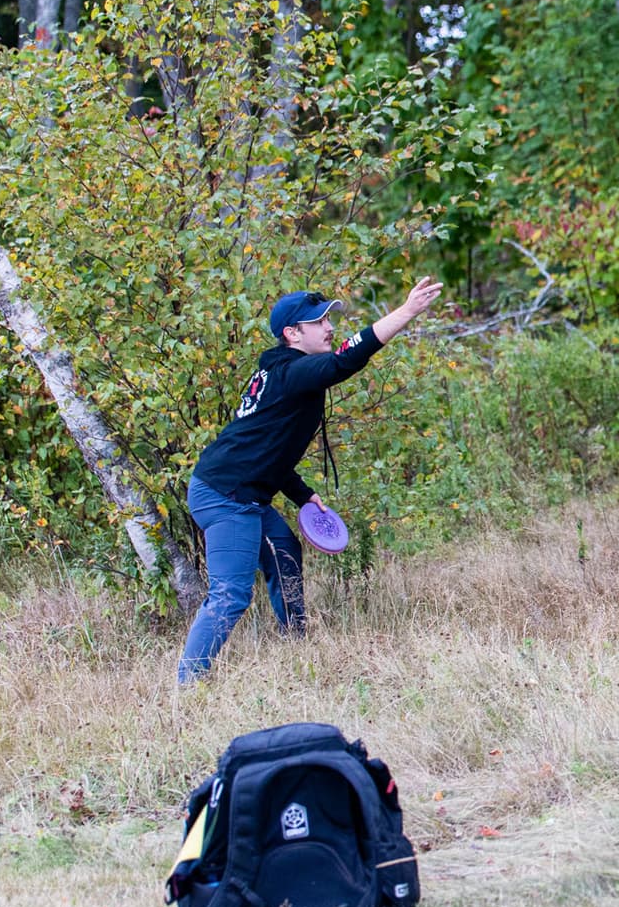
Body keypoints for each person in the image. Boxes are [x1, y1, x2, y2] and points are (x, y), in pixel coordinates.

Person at [177, 278, 443, 683]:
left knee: (284, 550)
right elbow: (343, 362)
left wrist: (302, 496)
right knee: (230, 595)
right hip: (227, 497)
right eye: (318, 321)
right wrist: (405, 312)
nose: (329, 326)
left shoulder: (283, 373)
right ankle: (187, 684)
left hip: (236, 489)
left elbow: (268, 451)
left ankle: (295, 643)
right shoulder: (292, 372)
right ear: (293, 333)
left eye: (327, 319)